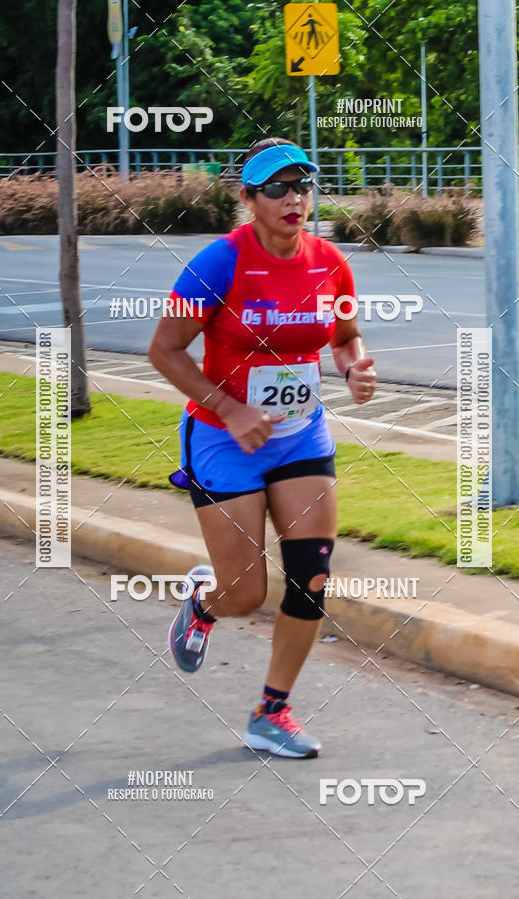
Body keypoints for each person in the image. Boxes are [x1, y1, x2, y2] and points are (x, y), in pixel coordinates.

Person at [148, 138, 376, 759]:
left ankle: (271, 713)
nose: (293, 198)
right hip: (224, 438)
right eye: (276, 187)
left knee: (311, 578)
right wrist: (228, 406)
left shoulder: (330, 262)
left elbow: (347, 337)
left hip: (301, 435)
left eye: (302, 184)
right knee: (246, 594)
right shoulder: (218, 264)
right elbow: (164, 351)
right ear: (248, 198)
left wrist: (354, 369)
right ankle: (205, 602)